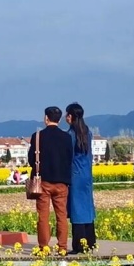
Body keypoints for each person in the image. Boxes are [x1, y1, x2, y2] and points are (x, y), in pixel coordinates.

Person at [28, 106, 73, 253]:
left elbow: (31, 159)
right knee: (61, 216)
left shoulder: (38, 136)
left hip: (43, 182)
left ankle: (44, 247)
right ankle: (62, 247)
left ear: (46, 118)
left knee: (43, 216)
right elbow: (69, 159)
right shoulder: (67, 137)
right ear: (59, 120)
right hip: (62, 182)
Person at [65, 103, 96, 254]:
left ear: (70, 116)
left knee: (77, 209)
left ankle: (78, 245)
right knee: (88, 207)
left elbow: (68, 157)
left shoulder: (70, 134)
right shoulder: (88, 132)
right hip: (87, 175)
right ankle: (90, 241)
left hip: (76, 175)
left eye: (67, 114)